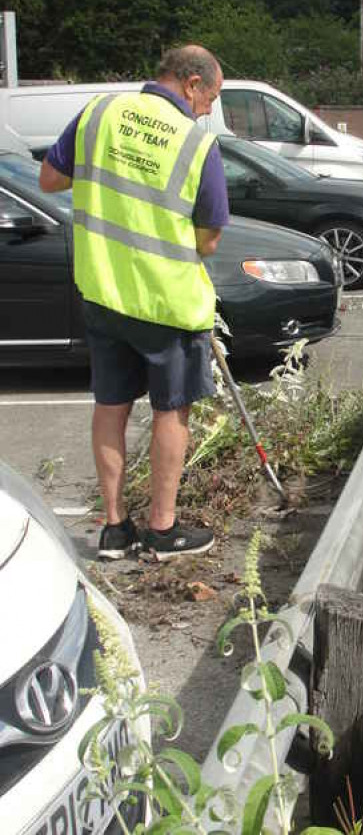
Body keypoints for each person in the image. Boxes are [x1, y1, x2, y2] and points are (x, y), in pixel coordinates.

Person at [39, 45, 229, 562]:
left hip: (102, 292)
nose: (209, 109)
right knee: (172, 410)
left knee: (110, 405)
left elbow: (50, 180)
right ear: (191, 84)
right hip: (165, 302)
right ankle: (162, 531)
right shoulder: (195, 143)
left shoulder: (99, 112)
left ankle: (116, 530)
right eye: (210, 97)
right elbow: (209, 239)